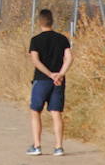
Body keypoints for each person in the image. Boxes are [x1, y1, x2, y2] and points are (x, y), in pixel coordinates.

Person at [26, 9, 73, 157]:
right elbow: (69, 58)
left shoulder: (36, 40)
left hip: (41, 80)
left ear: (39, 22)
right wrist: (60, 74)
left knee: (35, 111)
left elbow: (35, 60)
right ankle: (59, 147)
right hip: (58, 81)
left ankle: (37, 145)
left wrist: (49, 74)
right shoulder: (62, 39)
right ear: (52, 21)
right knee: (56, 113)